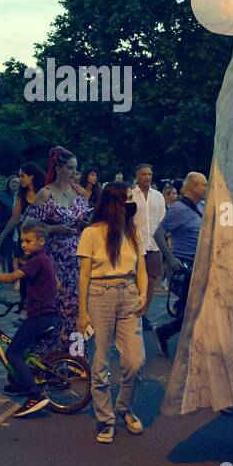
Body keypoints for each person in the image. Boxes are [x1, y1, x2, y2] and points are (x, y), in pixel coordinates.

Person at [77, 182, 147, 443]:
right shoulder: (91, 233)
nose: (131, 203)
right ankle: (106, 420)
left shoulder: (132, 231)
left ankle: (124, 408)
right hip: (99, 295)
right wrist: (81, 312)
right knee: (100, 362)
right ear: (114, 203)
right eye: (127, 199)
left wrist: (143, 294)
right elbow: (83, 275)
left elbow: (140, 269)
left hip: (129, 293)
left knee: (135, 361)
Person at [0, 221, 60, 417]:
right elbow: (57, 285)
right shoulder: (44, 260)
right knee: (22, 348)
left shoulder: (37, 261)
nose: (23, 244)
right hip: (46, 314)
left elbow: (12, 278)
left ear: (42, 242)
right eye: (22, 241)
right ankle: (19, 382)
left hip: (40, 317)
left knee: (13, 353)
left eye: (28, 241)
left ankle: (34, 396)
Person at [28, 147, 90, 354]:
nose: (74, 172)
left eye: (76, 168)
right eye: (70, 168)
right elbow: (27, 226)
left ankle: (75, 358)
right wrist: (54, 228)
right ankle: (48, 358)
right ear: (58, 168)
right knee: (53, 309)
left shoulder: (80, 193)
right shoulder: (45, 194)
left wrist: (86, 223)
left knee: (76, 310)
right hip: (54, 262)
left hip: (77, 261)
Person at [153, 171, 206, 356]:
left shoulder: (202, 205)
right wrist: (171, 259)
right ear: (193, 187)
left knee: (194, 308)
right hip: (185, 265)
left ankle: (167, 332)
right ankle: (186, 347)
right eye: (204, 185)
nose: (207, 188)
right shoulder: (178, 208)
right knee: (195, 309)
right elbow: (159, 234)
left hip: (200, 264)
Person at [129, 163, 166, 329]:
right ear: (137, 176)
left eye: (150, 174)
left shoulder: (158, 195)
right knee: (133, 280)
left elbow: (163, 219)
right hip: (135, 243)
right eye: (144, 174)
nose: (147, 177)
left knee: (151, 280)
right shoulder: (130, 194)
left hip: (154, 244)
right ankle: (129, 313)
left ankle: (143, 313)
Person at [0, 163, 45, 273]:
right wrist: (1, 237)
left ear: (31, 176)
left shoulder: (45, 192)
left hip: (42, 237)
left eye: (22, 176)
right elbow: (15, 218)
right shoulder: (20, 194)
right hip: (24, 237)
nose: (20, 179)